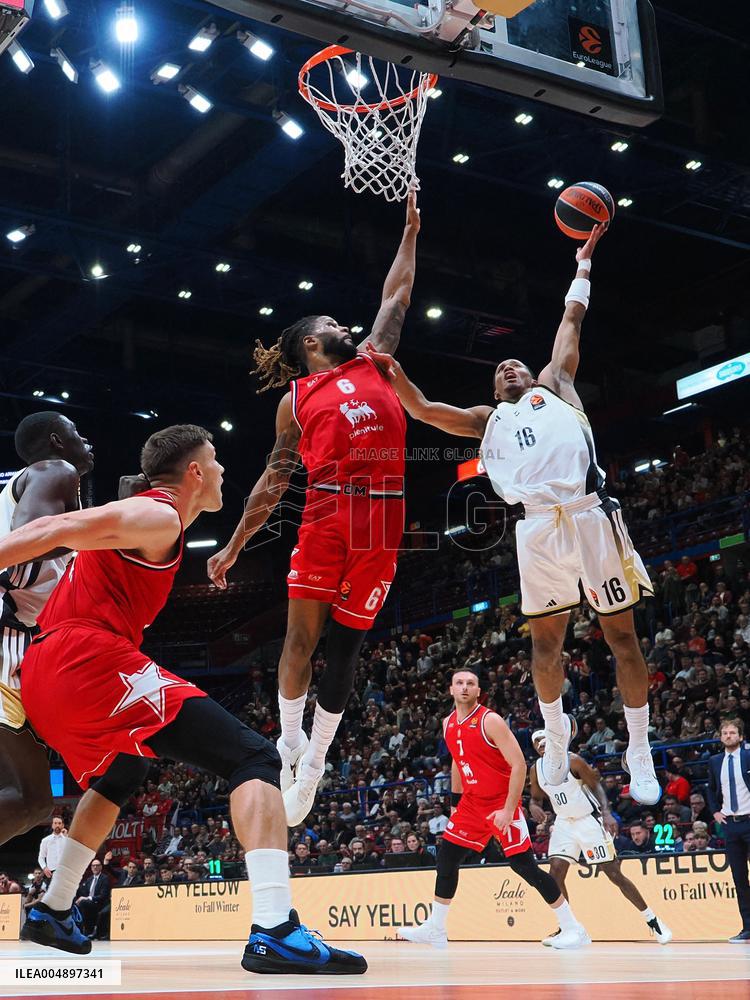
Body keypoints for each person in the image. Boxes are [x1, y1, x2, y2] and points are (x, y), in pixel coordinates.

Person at [6, 424, 363, 975]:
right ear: (195, 471)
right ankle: (276, 928)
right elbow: (56, 526)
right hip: (84, 660)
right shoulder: (159, 515)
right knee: (254, 758)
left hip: (47, 671)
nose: (223, 471)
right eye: (216, 461)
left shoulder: (150, 520)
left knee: (122, 774)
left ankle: (54, 908)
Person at [365, 224, 660, 806]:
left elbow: (571, 323)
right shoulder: (484, 419)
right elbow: (424, 410)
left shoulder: (557, 385)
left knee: (621, 637)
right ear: (493, 386)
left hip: (590, 513)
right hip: (535, 528)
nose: (509, 366)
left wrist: (582, 267)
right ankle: (554, 738)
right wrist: (389, 371)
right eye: (500, 367)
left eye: (516, 363)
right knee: (545, 646)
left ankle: (639, 746)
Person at [207, 190, 420, 828]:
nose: (343, 324)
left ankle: (319, 759)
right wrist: (234, 546)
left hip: (384, 521)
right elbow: (273, 481)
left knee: (348, 649)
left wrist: (410, 229)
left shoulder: (376, 364)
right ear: (309, 344)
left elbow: (397, 296)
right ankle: (291, 741)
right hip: (327, 516)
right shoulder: (296, 400)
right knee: (301, 638)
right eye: (329, 322)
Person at [399, 669, 588, 950]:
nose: (464, 687)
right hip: (472, 804)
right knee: (447, 858)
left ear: (478, 690)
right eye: (459, 683)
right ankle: (436, 929)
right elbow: (457, 763)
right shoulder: (448, 723)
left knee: (524, 866)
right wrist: (454, 805)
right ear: (450, 689)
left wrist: (508, 810)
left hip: (501, 802)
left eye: (470, 683)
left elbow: (519, 765)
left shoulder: (491, 721)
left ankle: (575, 929)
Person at [0, 412, 94, 847]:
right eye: (77, 433)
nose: (86, 441)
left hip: (24, 643)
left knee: (34, 802)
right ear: (57, 441)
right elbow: (30, 537)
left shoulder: (29, 485)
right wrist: (110, 526)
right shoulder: (56, 470)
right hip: (9, 640)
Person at [528, 730, 671, 945]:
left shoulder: (573, 761)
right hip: (564, 823)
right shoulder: (536, 770)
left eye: (544, 739)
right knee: (555, 872)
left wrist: (606, 813)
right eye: (537, 742)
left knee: (613, 873)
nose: (541, 744)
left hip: (588, 820)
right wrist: (533, 807)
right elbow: (536, 798)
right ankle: (570, 928)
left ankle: (653, 920)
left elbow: (595, 784)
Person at [707, 718, 750, 942]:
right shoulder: (715, 761)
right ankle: (748, 927)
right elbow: (711, 789)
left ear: (740, 736)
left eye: (733, 733)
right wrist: (715, 811)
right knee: (739, 878)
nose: (728, 736)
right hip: (731, 825)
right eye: (725, 733)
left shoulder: (748, 755)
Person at [74, 858, 110, 938]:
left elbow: (103, 896)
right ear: (91, 867)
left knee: (84, 903)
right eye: (93, 866)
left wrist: (88, 898)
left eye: (97, 865)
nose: (95, 867)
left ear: (101, 867)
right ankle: (79, 930)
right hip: (89, 903)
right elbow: (83, 893)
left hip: (100, 903)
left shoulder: (105, 878)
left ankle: (87, 930)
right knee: (76, 904)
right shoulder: (89, 879)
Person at [38, 816, 67, 882]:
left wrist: (66, 837)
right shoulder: (45, 840)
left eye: (59, 823)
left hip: (65, 871)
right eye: (55, 823)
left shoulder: (67, 840)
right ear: (52, 825)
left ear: (63, 825)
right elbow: (41, 857)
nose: (57, 825)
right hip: (51, 872)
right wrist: (44, 868)